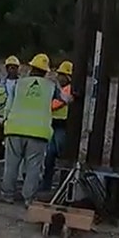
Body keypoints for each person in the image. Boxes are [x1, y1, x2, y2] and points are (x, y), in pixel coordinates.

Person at [0, 53, 57, 207]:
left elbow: (8, 104)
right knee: (33, 167)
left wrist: (4, 122)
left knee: (11, 165)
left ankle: (7, 195)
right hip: (38, 133)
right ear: (45, 71)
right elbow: (64, 99)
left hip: (15, 129)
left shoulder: (20, 84)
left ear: (31, 68)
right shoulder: (51, 87)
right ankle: (28, 199)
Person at [41, 60, 75, 193]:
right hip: (54, 125)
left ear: (68, 77)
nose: (58, 77)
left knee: (59, 156)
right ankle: (48, 186)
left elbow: (55, 104)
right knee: (50, 157)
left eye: (61, 75)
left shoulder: (68, 89)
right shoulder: (60, 89)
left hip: (62, 126)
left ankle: (60, 186)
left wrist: (47, 105)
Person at [0, 55, 21, 160]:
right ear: (6, 68)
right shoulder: (0, 83)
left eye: (14, 67)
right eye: (10, 67)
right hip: (0, 118)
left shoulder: (21, 84)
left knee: (13, 143)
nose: (12, 69)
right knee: (0, 142)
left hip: (15, 119)